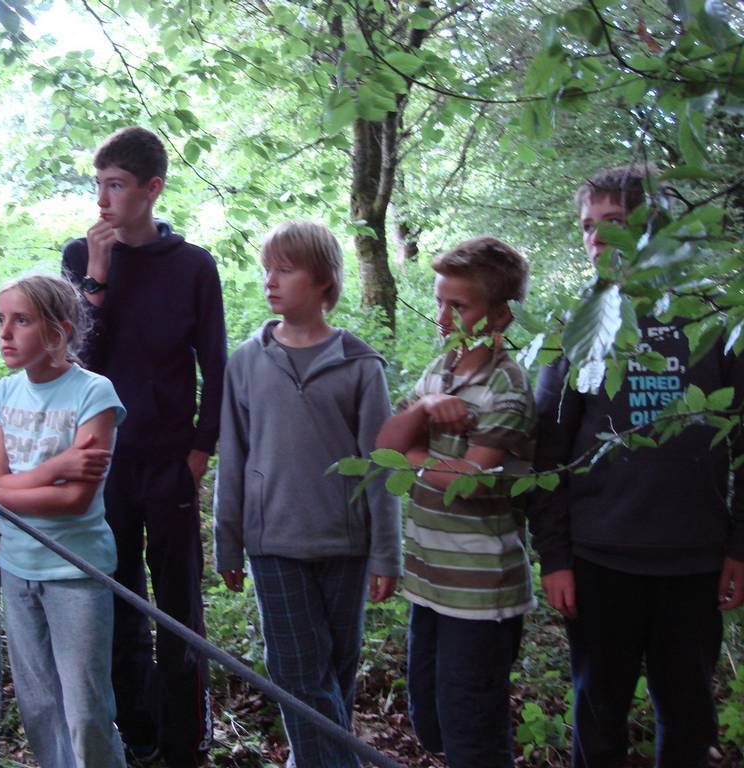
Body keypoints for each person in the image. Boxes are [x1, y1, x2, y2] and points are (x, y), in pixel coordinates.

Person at [529, 164, 744, 767]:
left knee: (688, 717)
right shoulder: (578, 330)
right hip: (599, 563)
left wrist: (738, 546)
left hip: (693, 561)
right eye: (588, 227)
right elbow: (548, 453)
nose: (598, 239)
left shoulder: (713, 318)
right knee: (598, 717)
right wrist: (556, 557)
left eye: (615, 223)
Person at [61, 126, 226, 766]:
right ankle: (138, 736)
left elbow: (215, 364)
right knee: (119, 601)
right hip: (104, 461)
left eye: (117, 185)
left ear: (151, 189)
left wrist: (199, 452)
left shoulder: (192, 265)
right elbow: (76, 362)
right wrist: (97, 279)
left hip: (169, 460)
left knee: (179, 605)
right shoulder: (80, 256)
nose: (103, 199)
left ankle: (187, 741)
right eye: (98, 184)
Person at [213, 220, 401, 767]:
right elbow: (234, 458)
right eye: (267, 267)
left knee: (335, 674)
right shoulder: (247, 362)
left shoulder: (360, 365)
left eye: (286, 268)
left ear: (323, 280)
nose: (270, 279)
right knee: (297, 672)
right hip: (274, 544)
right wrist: (227, 544)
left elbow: (381, 467)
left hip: (345, 545)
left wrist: (387, 553)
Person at [375, 236, 536, 768]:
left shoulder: (505, 386)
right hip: (431, 583)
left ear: (501, 314)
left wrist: (417, 454)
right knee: (432, 718)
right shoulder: (439, 372)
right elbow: (384, 447)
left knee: (473, 727)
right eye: (440, 301)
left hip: (480, 593)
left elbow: (469, 479)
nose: (443, 316)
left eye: (458, 305)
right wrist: (425, 405)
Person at [0, 274, 127, 768]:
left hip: (76, 571)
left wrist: (3, 492)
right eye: (1, 320)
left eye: (21, 320)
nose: (5, 333)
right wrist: (54, 471)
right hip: (16, 568)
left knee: (85, 709)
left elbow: (75, 502)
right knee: (39, 705)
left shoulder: (94, 394)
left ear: (58, 332)